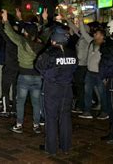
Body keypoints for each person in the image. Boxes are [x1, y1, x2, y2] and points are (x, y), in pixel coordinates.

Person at [0, 9, 44, 135]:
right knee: (36, 102)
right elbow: (46, 32)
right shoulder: (40, 44)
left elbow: (10, 33)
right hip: (37, 76)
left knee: (21, 102)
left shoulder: (22, 42)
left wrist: (6, 20)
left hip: (24, 76)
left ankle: (19, 124)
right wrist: (44, 20)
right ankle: (36, 125)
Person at [36, 26, 77, 156]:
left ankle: (51, 148)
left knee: (51, 118)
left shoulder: (49, 53)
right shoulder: (72, 52)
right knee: (65, 117)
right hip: (67, 89)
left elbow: (39, 66)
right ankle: (65, 146)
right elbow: (74, 68)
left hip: (52, 89)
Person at [79, 28, 109, 120]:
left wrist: (106, 75)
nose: (95, 34)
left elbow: (107, 61)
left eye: (97, 33)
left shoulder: (105, 46)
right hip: (90, 72)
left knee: (102, 93)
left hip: (100, 73)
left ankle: (105, 111)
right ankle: (87, 111)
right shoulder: (92, 43)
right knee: (87, 92)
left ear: (102, 36)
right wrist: (80, 21)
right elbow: (83, 33)